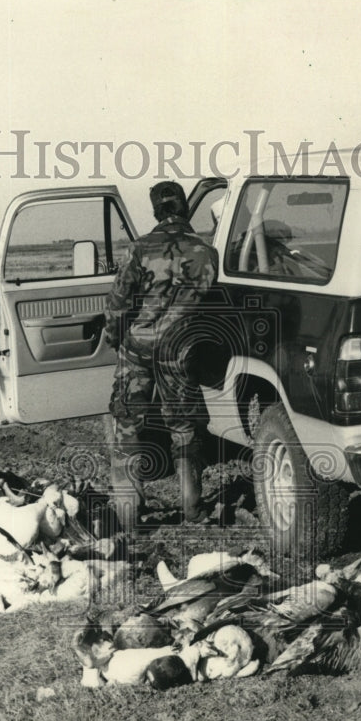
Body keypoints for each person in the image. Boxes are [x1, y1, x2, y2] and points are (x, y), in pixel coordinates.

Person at [103, 181, 218, 531]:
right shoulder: (206, 252)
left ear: (155, 212)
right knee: (183, 430)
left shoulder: (139, 249)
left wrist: (114, 337)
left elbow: (118, 305)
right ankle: (192, 508)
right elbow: (211, 309)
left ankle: (128, 512)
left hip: (138, 349)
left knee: (127, 424)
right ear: (183, 208)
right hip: (179, 353)